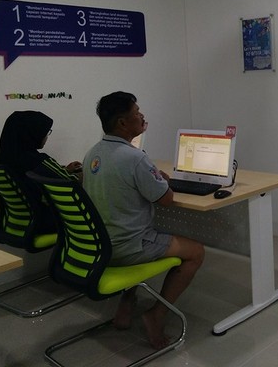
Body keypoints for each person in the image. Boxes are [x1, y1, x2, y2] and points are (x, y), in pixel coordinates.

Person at [83, 91, 205, 350]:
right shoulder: (135, 158)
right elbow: (166, 199)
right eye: (137, 113)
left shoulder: (92, 154)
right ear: (122, 123)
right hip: (129, 247)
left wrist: (151, 176)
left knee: (143, 228)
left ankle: (126, 306)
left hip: (99, 246)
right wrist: (161, 180)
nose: (142, 116)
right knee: (196, 252)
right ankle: (157, 315)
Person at [0, 110, 82, 233]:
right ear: (32, 134)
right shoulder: (37, 161)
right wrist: (91, 171)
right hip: (43, 222)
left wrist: (65, 170)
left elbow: (38, 176)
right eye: (45, 133)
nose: (46, 137)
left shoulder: (4, 159)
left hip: (14, 222)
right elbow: (72, 181)